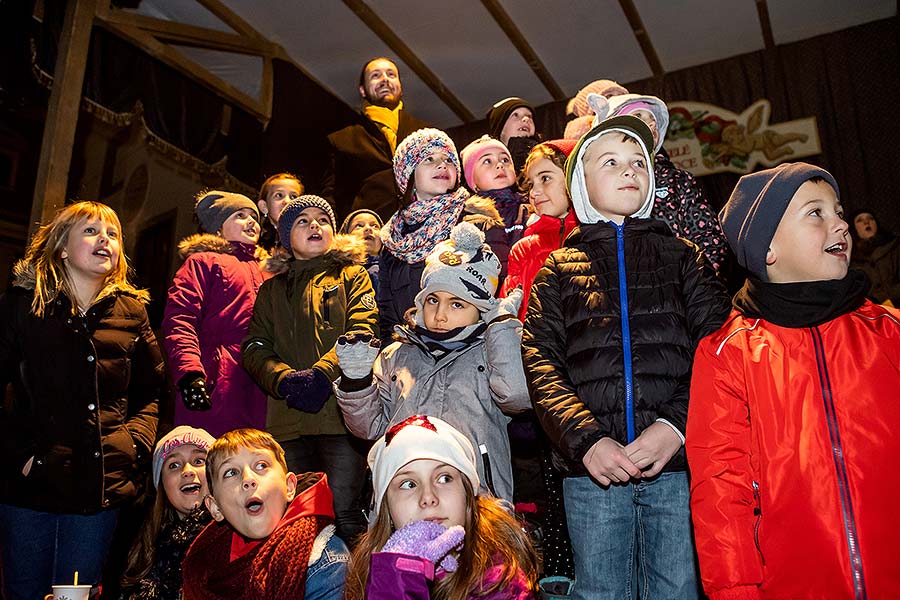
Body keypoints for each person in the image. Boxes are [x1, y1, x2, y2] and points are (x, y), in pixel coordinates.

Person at [521, 116, 731, 600]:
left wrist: (674, 428)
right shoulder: (557, 269)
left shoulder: (684, 257)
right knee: (600, 592)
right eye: (610, 161)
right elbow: (540, 362)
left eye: (639, 161)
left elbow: (717, 349)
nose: (629, 169)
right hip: (592, 473)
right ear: (581, 183)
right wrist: (587, 441)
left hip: (675, 468)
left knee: (677, 589)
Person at [687, 163, 900, 599]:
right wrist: (736, 590)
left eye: (839, 211)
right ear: (768, 249)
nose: (840, 222)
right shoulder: (728, 354)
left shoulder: (887, 331)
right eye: (816, 213)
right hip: (795, 584)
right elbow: (721, 487)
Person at [0, 201, 164, 600]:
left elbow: (152, 393)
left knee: (78, 596)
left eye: (112, 234)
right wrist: (19, 455)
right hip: (30, 488)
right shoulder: (25, 305)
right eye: (91, 231)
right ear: (61, 247)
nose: (104, 240)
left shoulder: (132, 311)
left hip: (99, 491)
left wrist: (134, 445)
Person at [335, 222, 530, 503]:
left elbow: (517, 397)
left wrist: (501, 327)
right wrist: (356, 382)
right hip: (406, 496)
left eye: (457, 304)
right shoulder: (396, 354)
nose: (440, 315)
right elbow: (369, 428)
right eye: (432, 300)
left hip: (477, 497)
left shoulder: (492, 352)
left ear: (481, 310)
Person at [241, 195, 378, 544]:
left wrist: (322, 374)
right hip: (287, 424)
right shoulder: (271, 290)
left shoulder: (352, 275)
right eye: (303, 221)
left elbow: (362, 328)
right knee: (295, 518)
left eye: (322, 220)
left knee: (346, 512)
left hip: (340, 417)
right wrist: (283, 379)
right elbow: (255, 346)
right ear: (287, 240)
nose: (315, 225)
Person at [344, 415, 539, 600]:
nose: (428, 497)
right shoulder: (367, 572)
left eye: (444, 478)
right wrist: (396, 577)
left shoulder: (498, 583)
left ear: (467, 495)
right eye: (409, 484)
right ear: (386, 507)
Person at [181, 428, 348, 599]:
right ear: (216, 507)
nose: (248, 479)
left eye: (261, 465)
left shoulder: (323, 561)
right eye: (231, 472)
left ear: (289, 487)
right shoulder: (201, 564)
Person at [162, 191, 271, 438]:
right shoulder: (203, 262)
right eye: (240, 215)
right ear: (218, 228)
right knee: (214, 456)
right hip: (217, 380)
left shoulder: (267, 270)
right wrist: (189, 372)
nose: (251, 221)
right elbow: (181, 318)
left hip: (260, 381)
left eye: (254, 216)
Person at [378, 128, 503, 341]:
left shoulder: (478, 224)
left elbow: (495, 300)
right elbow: (387, 314)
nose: (442, 164)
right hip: (411, 356)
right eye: (428, 159)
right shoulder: (393, 241)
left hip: (470, 355)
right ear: (407, 175)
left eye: (448, 159)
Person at [589, 92, 729, 272]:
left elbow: (710, 238)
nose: (650, 123)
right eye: (638, 116)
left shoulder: (677, 180)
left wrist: (692, 281)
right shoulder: (598, 184)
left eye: (653, 120)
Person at [322, 57, 430, 222]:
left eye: (391, 74)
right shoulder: (342, 140)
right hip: (368, 234)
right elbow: (331, 198)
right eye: (375, 75)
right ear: (363, 90)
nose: (385, 79)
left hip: (422, 229)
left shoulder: (427, 133)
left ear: (400, 87)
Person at [119, 426, 216, 600]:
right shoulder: (142, 548)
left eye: (199, 461)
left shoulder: (234, 539)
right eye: (174, 465)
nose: (187, 471)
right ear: (162, 485)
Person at [501, 139, 578, 319]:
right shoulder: (523, 249)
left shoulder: (598, 237)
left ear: (574, 178)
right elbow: (509, 317)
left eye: (545, 178)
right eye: (531, 184)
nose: (534, 193)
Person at [460, 136, 530, 284]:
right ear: (473, 182)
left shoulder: (529, 206)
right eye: (487, 161)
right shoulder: (470, 218)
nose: (500, 165)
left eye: (505, 160)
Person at [849, 208, 900, 305]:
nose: (866, 222)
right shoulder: (850, 258)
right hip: (871, 312)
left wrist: (890, 299)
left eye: (871, 218)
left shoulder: (895, 247)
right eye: (860, 220)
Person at [486, 97, 539, 174]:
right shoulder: (489, 165)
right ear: (500, 128)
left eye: (529, 116)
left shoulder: (546, 155)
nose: (526, 119)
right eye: (515, 115)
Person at [340, 209, 384, 295]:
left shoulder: (394, 271)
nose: (368, 228)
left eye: (375, 226)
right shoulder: (340, 275)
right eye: (359, 226)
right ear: (346, 236)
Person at [256, 172, 303, 253]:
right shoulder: (254, 240)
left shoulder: (307, 239)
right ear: (264, 206)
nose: (287, 201)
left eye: (293, 197)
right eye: (279, 195)